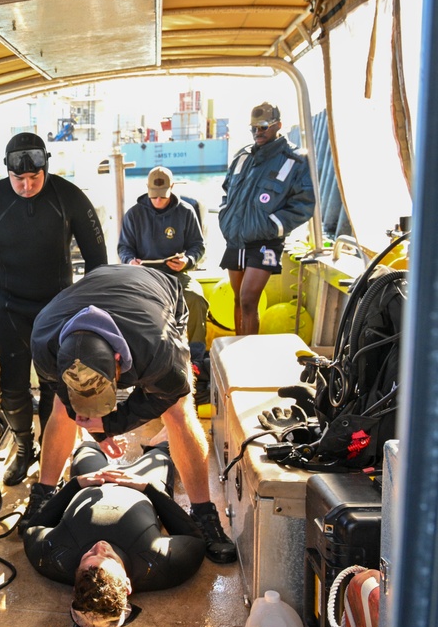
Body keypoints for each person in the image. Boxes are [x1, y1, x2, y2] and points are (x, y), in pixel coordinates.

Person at [28, 264, 236, 563]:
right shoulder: (45, 346)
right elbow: (67, 398)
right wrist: (100, 434)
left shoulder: (158, 350)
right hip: (85, 298)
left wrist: (114, 422)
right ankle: (43, 495)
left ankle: (204, 514)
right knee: (61, 409)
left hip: (159, 298)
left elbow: (166, 395)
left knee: (179, 410)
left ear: (118, 361)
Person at [0, 132, 108, 486]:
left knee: (55, 387)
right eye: (19, 178)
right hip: (11, 305)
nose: (28, 185)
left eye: (35, 177)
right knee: (14, 388)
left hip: (58, 307)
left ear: (47, 167)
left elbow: (97, 259)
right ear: (7, 171)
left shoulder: (69, 197)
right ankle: (23, 447)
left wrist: (96, 311)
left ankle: (52, 452)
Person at [22, 442, 206, 627]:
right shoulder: (155, 563)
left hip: (93, 478)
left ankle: (103, 436)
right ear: (127, 585)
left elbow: (32, 528)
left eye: (89, 555)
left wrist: (75, 484)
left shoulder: (55, 557)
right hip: (142, 481)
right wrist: (148, 488)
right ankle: (155, 443)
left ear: (75, 579)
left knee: (86, 447)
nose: (100, 546)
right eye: (110, 557)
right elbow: (194, 538)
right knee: (162, 450)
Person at [218, 102, 315, 335]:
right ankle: (237, 351)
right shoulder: (242, 156)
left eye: (263, 127)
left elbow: (304, 204)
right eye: (253, 128)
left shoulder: (296, 160)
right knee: (238, 299)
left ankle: (249, 353)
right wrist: (225, 214)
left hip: (265, 240)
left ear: (278, 126)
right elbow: (226, 190)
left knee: (249, 298)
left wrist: (274, 225)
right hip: (236, 238)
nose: (257, 133)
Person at [118, 166, 209, 346]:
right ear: (147, 188)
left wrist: (187, 261)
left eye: (163, 195)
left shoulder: (186, 211)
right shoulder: (134, 214)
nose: (158, 200)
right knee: (129, 305)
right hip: (143, 275)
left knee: (196, 299)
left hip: (176, 274)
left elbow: (198, 246)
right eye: (154, 195)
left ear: (172, 187)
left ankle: (196, 355)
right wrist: (130, 261)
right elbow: (124, 247)